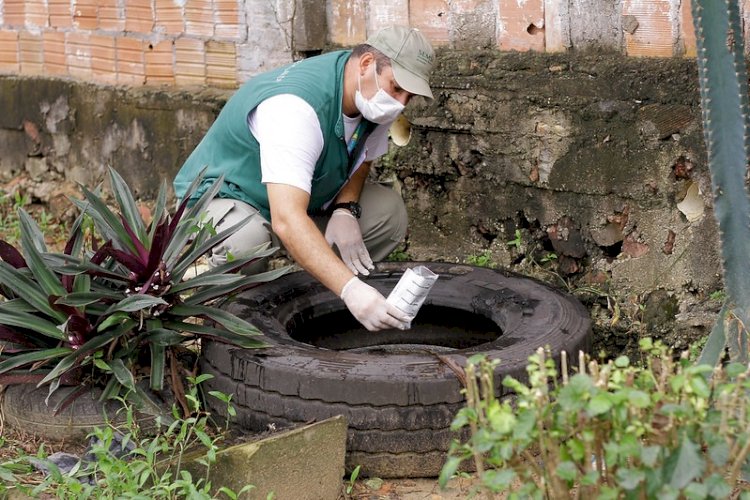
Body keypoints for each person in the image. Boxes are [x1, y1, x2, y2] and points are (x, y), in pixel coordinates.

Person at [173, 26, 435, 332]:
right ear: (366, 65)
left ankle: (310, 292)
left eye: (410, 96)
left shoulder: (372, 94)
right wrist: (352, 289)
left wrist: (345, 210)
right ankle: (222, 311)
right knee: (246, 241)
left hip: (298, 196)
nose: (401, 102)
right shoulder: (296, 109)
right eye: (396, 87)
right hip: (230, 199)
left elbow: (365, 156)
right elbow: (286, 218)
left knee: (387, 215)